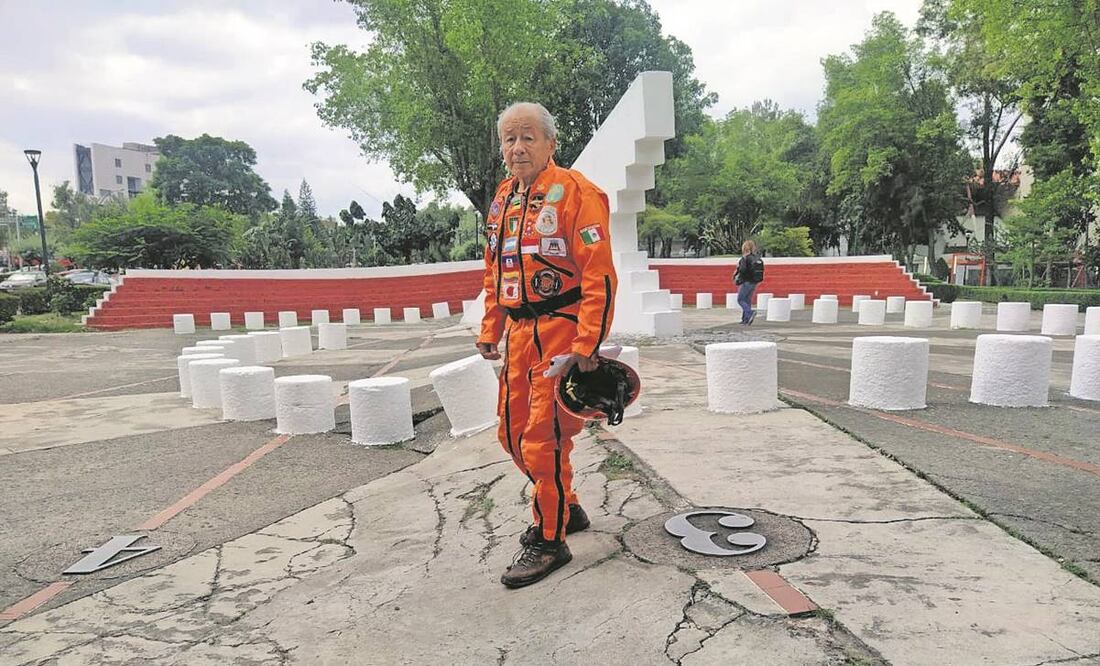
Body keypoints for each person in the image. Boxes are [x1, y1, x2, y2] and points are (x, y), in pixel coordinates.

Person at [476, 102, 617, 588]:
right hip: (518, 336)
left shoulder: (579, 194)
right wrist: (489, 327)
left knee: (544, 439)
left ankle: (550, 538)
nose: (517, 148)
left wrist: (587, 344)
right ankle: (567, 507)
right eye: (509, 139)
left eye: (528, 137)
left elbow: (599, 275)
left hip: (560, 333)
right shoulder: (503, 199)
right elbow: (496, 271)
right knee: (511, 435)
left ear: (551, 144)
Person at [734, 240, 763, 325]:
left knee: (740, 300)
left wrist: (738, 269)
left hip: (746, 281)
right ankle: (745, 319)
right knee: (747, 300)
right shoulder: (756, 257)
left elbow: (742, 270)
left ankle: (750, 313)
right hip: (754, 282)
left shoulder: (745, 258)